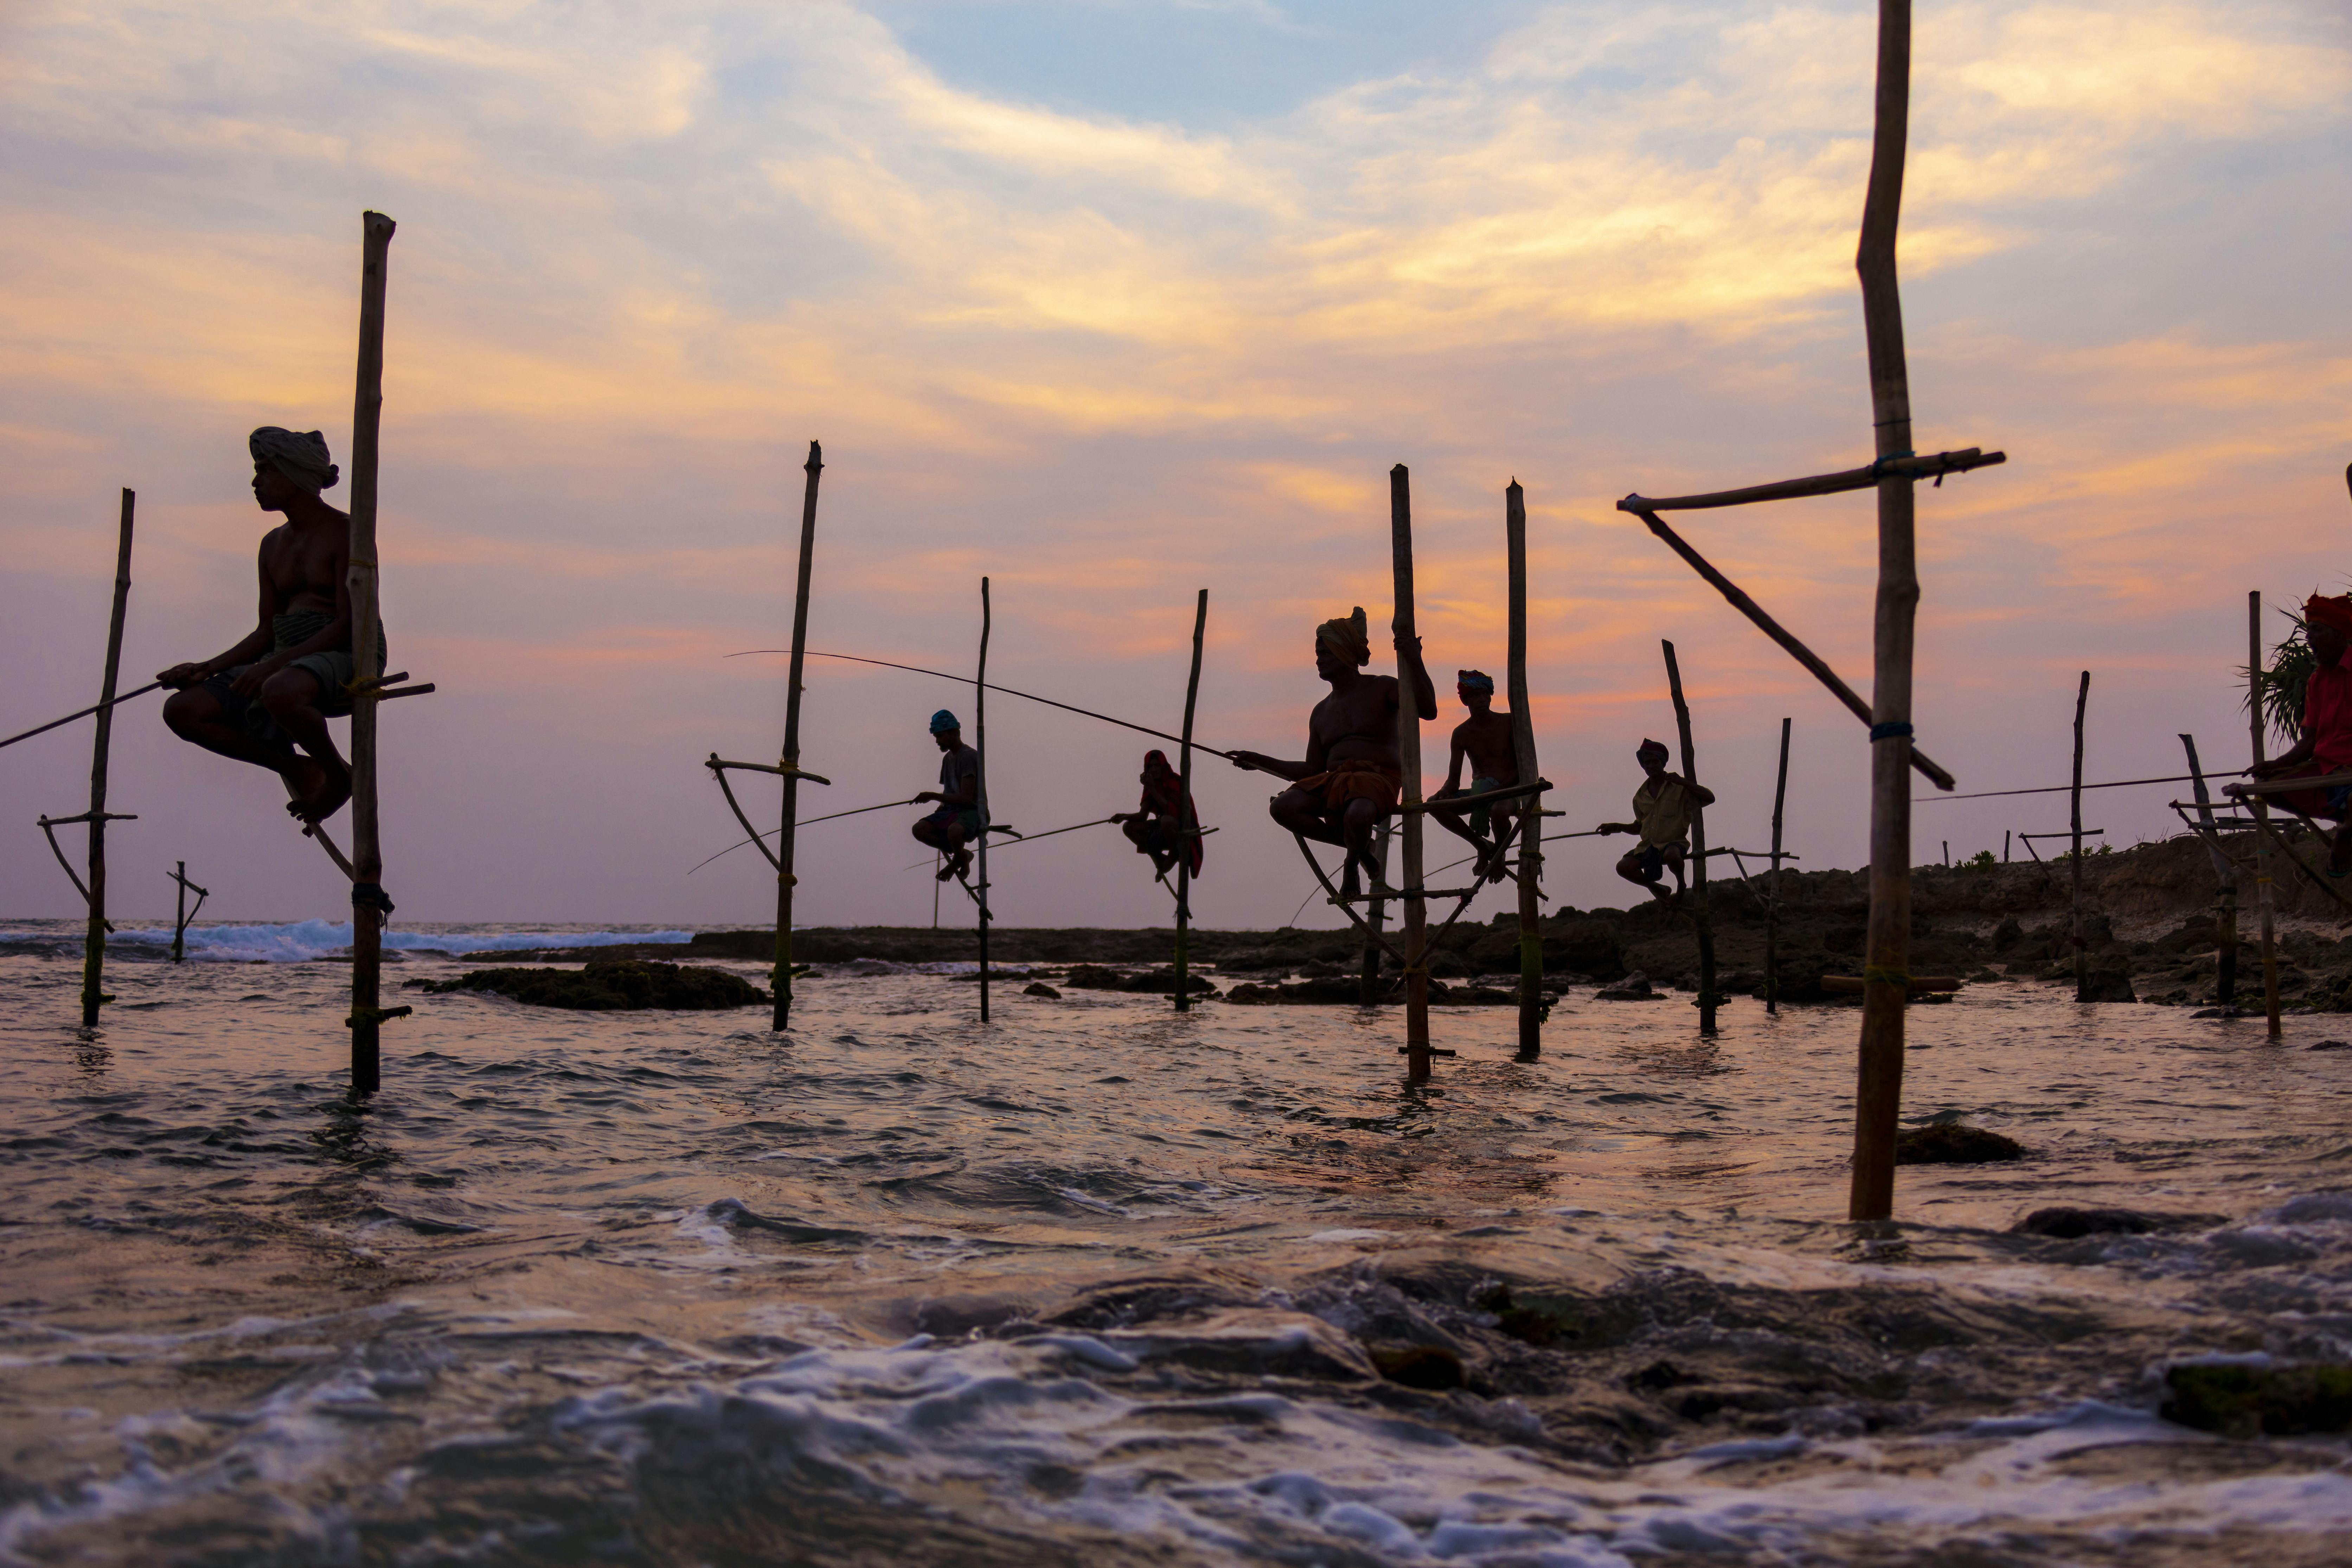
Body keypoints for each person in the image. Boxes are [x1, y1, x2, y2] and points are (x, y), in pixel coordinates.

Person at [155, 428, 386, 825]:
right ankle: (292, 765)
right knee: (183, 709)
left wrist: (270, 668)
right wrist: (207, 668)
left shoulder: (347, 533)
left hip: (346, 653)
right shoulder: (271, 545)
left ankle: (337, 774)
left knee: (277, 688)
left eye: (265, 470)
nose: (255, 482)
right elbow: (266, 631)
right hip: (282, 659)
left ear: (294, 473)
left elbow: (351, 624)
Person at [1228, 607, 1437, 888]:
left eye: (1325, 653)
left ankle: (1351, 864)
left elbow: (1428, 709)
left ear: (1345, 653)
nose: (1319, 661)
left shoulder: (1382, 687)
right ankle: (1362, 847)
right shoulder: (1321, 712)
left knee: (1358, 814)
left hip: (1378, 780)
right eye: (1318, 654)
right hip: (1333, 782)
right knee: (1283, 807)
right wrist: (1258, 759)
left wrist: (1414, 658)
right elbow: (1311, 769)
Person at [2239, 593, 2352, 877]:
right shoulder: (2316, 681)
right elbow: (2311, 739)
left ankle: (2345, 837)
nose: (2309, 638)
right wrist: (2276, 765)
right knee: (2272, 788)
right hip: (2325, 769)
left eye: (2317, 629)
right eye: (2307, 631)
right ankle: (2346, 821)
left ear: (2339, 633)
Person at [1427, 669, 1521, 883]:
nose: (1480, 700)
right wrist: (1444, 792)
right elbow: (1453, 781)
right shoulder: (1461, 734)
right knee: (1434, 805)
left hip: (1509, 791)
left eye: (1483, 695)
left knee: (1498, 811)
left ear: (1490, 696)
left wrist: (1496, 793)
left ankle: (1499, 855)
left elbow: (1520, 771)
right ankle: (1481, 845)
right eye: (1474, 697)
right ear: (1466, 701)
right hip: (1479, 793)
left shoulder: (1509, 723)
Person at [1596, 738, 1715, 904]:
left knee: (1672, 855)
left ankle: (1681, 886)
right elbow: (1639, 827)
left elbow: (1710, 798)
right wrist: (1617, 826)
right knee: (1623, 867)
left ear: (1663, 763)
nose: (1651, 766)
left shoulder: (1679, 787)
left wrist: (1683, 782)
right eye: (1647, 763)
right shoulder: (1640, 797)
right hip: (1648, 846)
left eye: (1654, 762)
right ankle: (1656, 888)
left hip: (1674, 842)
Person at [911, 709, 984, 882]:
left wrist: (932, 796)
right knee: (919, 829)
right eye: (936, 737)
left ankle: (957, 860)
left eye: (940, 736)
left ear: (955, 733)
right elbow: (949, 793)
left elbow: (966, 798)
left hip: (971, 812)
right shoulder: (948, 759)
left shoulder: (969, 757)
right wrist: (941, 806)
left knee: (954, 831)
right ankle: (962, 855)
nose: (937, 741)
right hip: (951, 812)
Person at [1111, 750, 1202, 880]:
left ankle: (1173, 854)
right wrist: (1123, 817)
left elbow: (1172, 811)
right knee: (1129, 828)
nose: (1154, 769)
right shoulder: (1151, 784)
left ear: (1163, 766)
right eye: (1151, 767)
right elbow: (1143, 816)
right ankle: (1160, 859)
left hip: (1181, 826)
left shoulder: (1174, 780)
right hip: (1163, 827)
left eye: (1157, 765)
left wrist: (1152, 789)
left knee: (1166, 821)